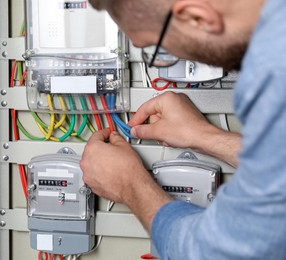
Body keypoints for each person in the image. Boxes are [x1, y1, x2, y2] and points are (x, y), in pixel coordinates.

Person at [80, 0, 286, 259]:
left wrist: (129, 185)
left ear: (196, 16)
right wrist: (204, 136)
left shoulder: (274, 73)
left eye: (158, 48)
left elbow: (219, 252)